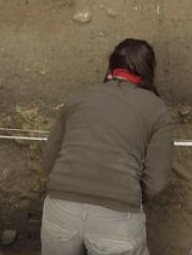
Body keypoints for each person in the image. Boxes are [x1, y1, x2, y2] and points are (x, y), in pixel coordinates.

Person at [40, 39, 175, 255]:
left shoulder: (78, 99)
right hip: (116, 220)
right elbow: (158, 179)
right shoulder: (156, 109)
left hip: (60, 209)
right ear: (148, 69)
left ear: (112, 65)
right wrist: (127, 194)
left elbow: (49, 161)